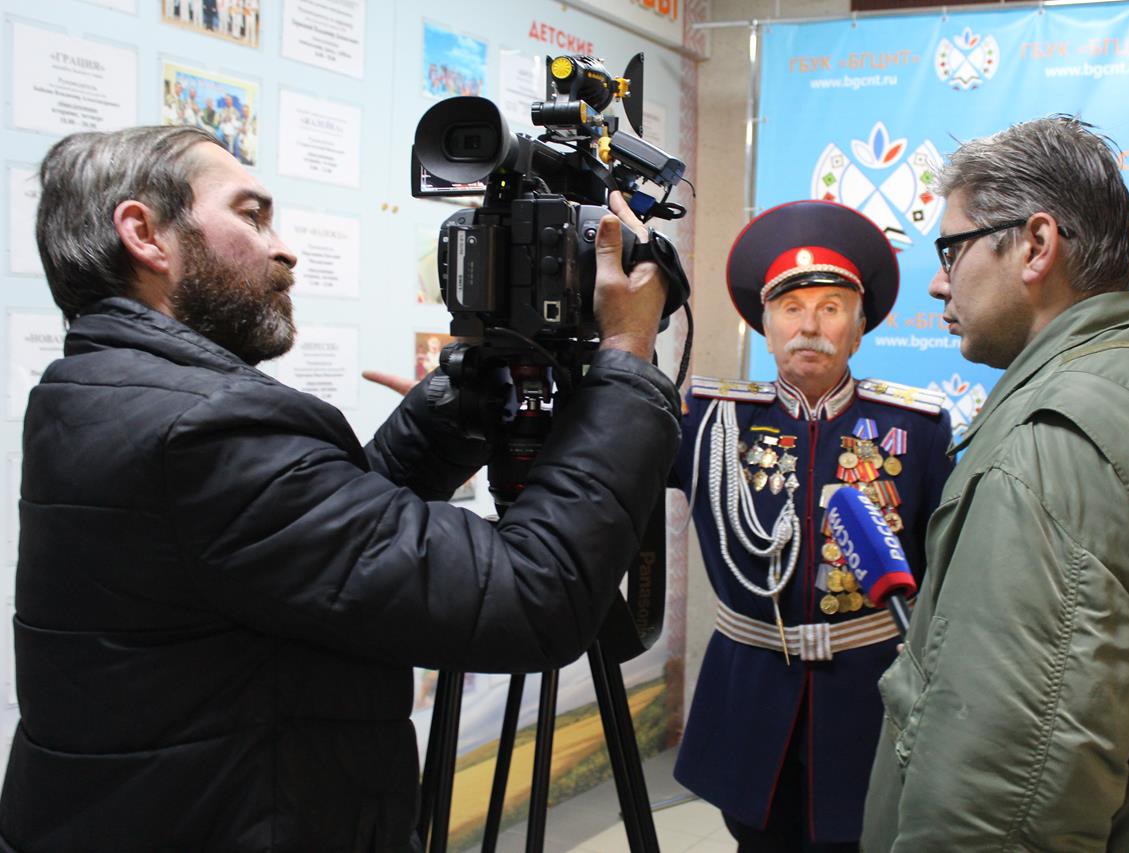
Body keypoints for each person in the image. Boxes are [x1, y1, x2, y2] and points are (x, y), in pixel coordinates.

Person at [0, 125, 679, 852]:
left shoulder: (94, 391)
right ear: (145, 235)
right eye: (252, 216)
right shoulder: (203, 429)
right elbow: (533, 596)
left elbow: (309, 563)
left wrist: (448, 413)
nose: (284, 249)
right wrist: (627, 360)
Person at [862, 116, 1129, 852]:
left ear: (1035, 245)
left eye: (951, 249)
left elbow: (1001, 818)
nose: (937, 281)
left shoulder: (1048, 447)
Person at [671, 201, 954, 850]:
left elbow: (950, 569)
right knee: (757, 837)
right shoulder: (710, 422)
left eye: (831, 308)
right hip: (748, 696)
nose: (809, 327)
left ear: (859, 329)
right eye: (791, 308)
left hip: (867, 694)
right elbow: (609, 463)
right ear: (765, 327)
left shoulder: (916, 429)